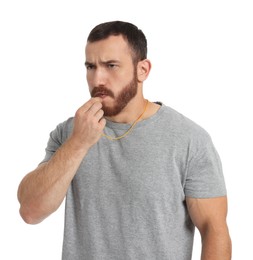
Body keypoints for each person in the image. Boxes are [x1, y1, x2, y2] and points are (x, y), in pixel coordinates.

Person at [17, 21, 232, 259]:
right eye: (90, 66)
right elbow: (30, 211)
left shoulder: (189, 139)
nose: (98, 78)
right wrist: (78, 143)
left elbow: (214, 230)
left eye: (111, 66)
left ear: (143, 70)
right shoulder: (70, 133)